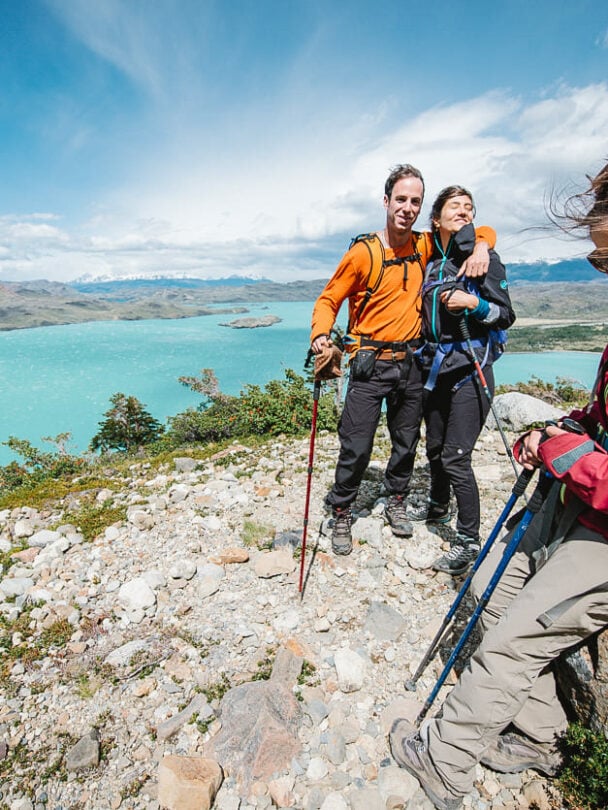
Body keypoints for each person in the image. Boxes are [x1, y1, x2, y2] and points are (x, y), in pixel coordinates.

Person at [389, 161, 608, 810]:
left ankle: (445, 762)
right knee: (485, 590)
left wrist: (565, 452)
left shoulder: (485, 255)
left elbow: (499, 305)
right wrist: (574, 427)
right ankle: (539, 732)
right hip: (568, 498)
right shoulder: (436, 253)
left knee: (512, 638)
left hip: (596, 521)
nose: (597, 261)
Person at [310, 164, 496, 555]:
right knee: (356, 444)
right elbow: (329, 299)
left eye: (415, 201)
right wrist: (322, 335)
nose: (407, 207)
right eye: (401, 199)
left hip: (411, 360)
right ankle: (341, 508)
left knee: (406, 441)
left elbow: (471, 230)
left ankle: (396, 499)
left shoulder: (424, 244)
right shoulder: (364, 253)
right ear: (386, 201)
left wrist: (482, 245)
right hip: (368, 361)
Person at [412, 186, 516, 575]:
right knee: (435, 448)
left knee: (456, 457)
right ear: (436, 218)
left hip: (472, 368)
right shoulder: (433, 264)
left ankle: (468, 539)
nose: (464, 211)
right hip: (435, 368)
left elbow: (505, 316)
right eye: (454, 206)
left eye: (469, 208)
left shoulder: (483, 259)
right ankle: (439, 506)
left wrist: (474, 303)